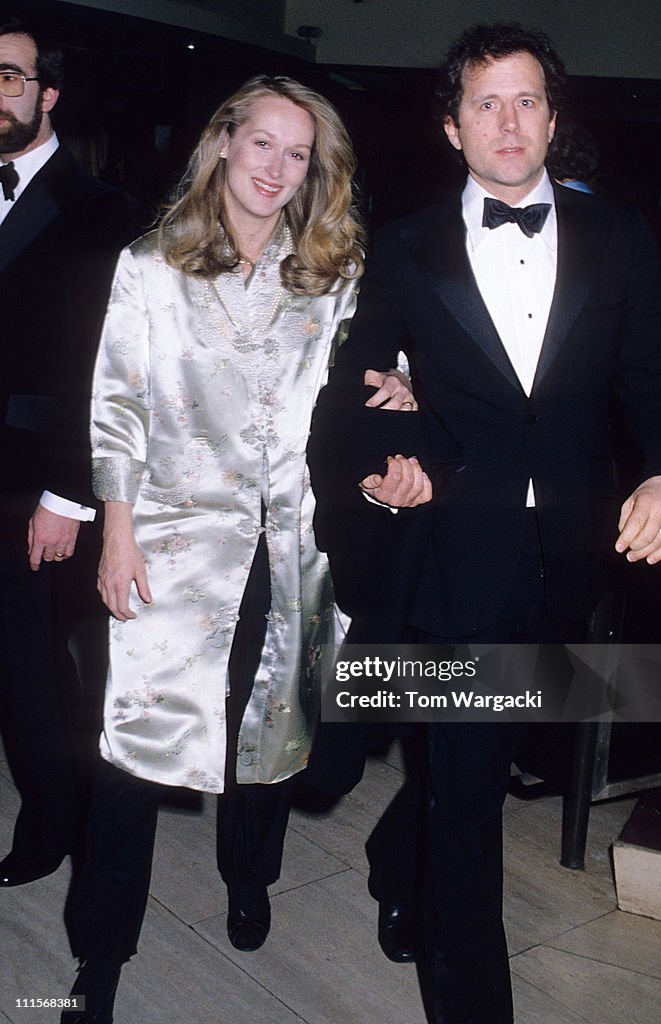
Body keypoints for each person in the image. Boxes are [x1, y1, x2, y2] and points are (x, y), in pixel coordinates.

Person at [307, 22, 661, 1024]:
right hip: (454, 547)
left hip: (573, 548)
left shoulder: (618, 237)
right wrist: (387, 467)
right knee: (468, 785)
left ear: (553, 119)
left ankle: (397, 850)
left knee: (517, 732)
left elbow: (656, 387)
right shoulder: (403, 248)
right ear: (452, 127)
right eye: (485, 101)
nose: (508, 119)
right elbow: (357, 387)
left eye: (526, 99)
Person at [59, 74, 412, 1024]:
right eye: (263, 144)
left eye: (298, 154)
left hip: (295, 541)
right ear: (223, 142)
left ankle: (249, 877)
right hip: (173, 544)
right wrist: (116, 529)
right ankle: (99, 957)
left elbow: (377, 368)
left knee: (271, 729)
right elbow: (118, 406)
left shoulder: (333, 269)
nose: (278, 169)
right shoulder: (152, 264)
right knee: (131, 754)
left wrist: (398, 386)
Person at [0, 18, 130, 888]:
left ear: (48, 94)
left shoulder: (102, 212)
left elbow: (102, 370)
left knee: (32, 672)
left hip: (31, 481)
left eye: (9, 77)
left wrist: (67, 496)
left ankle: (54, 819)